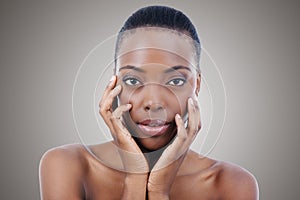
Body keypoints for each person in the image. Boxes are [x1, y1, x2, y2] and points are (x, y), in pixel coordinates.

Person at [39, 5, 259, 199]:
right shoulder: (68, 166)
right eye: (133, 80)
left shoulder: (231, 184)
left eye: (175, 80)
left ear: (197, 85)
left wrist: (159, 191)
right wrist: (135, 179)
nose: (153, 102)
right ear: (113, 83)